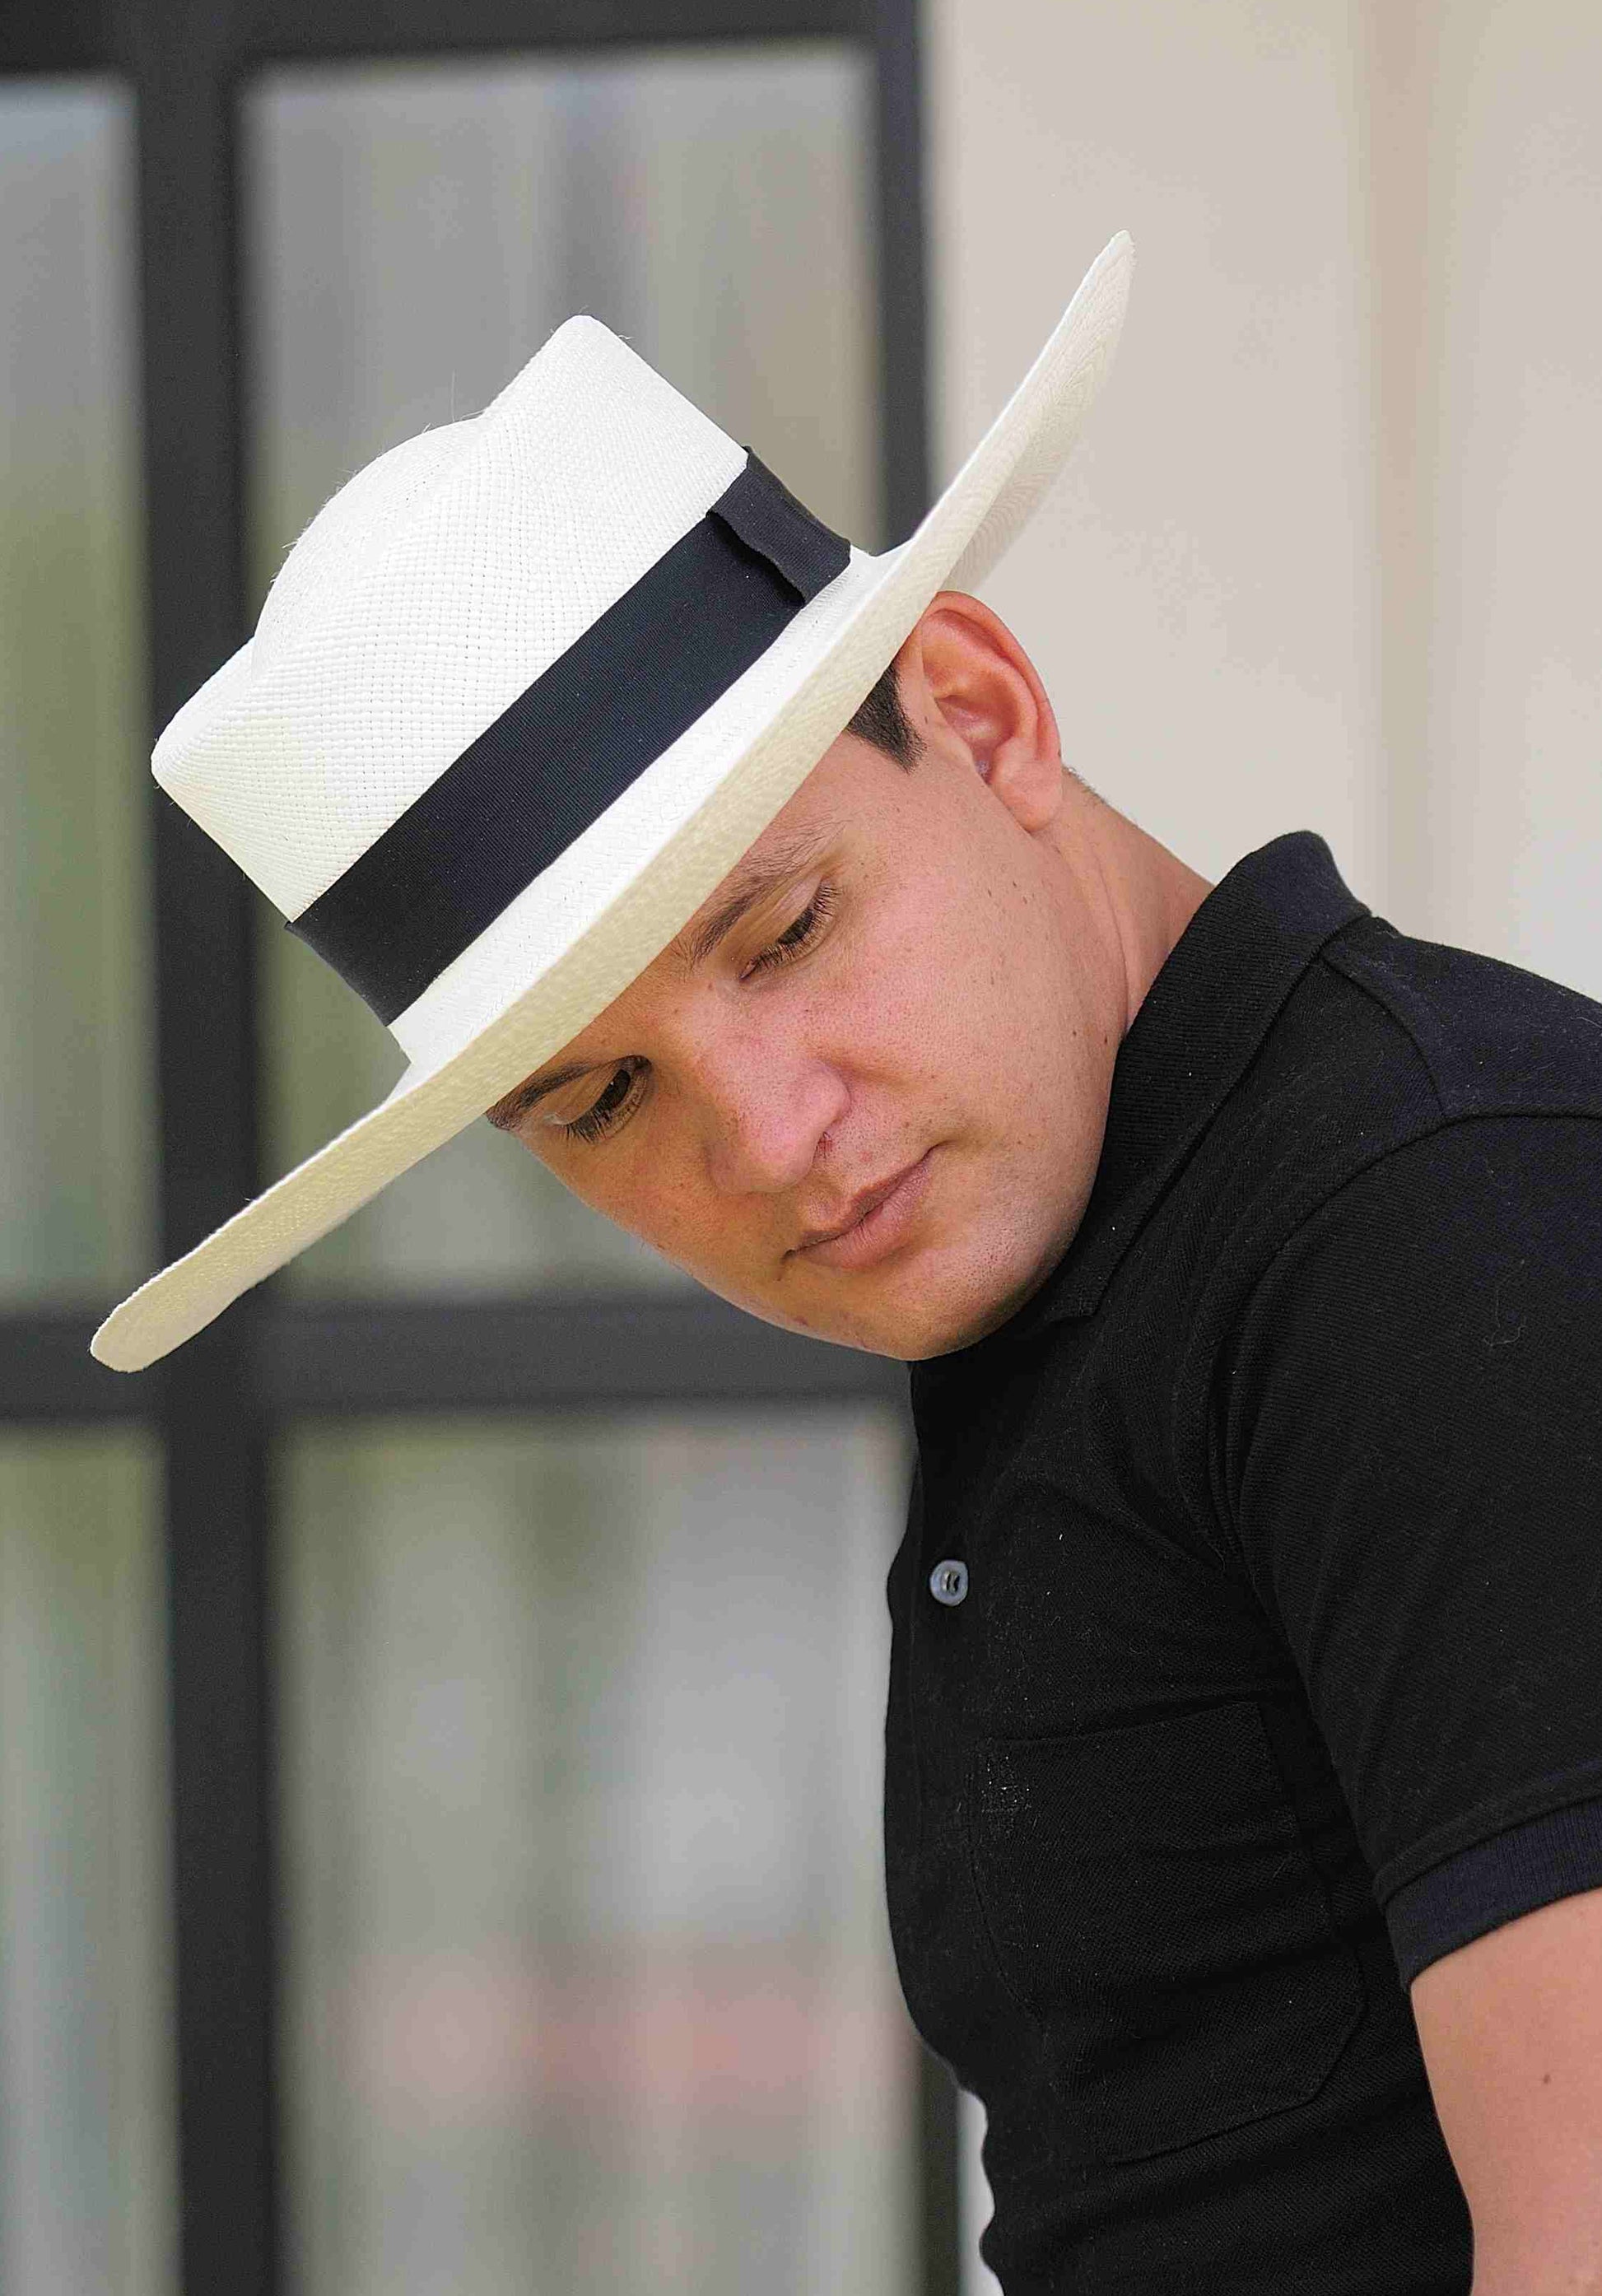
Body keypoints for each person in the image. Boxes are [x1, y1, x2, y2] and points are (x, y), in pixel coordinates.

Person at [94, 234, 1602, 2290]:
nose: (768, 1137)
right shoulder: (1102, 1264)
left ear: (980, 716)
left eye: (787, 933)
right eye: (602, 1100)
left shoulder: (1426, 1223)